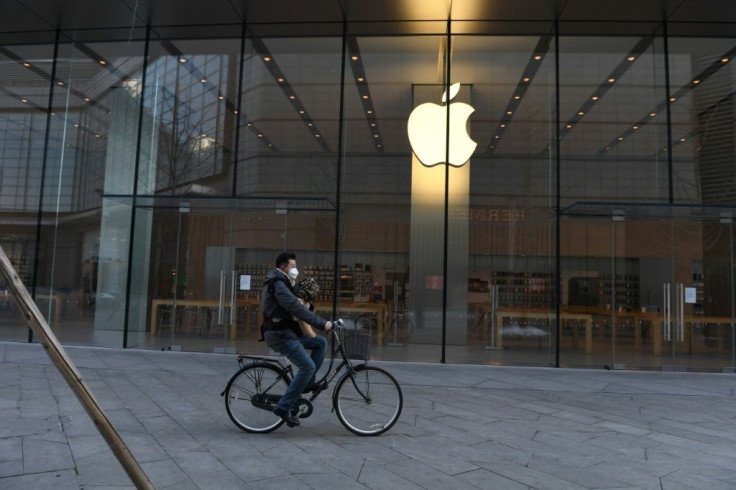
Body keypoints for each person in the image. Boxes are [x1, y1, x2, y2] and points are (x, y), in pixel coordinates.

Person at [261, 252, 332, 427]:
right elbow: (293, 307)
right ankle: (283, 407)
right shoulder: (278, 283)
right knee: (307, 367)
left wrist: (310, 306)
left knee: (320, 343)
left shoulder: (286, 283)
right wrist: (322, 324)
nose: (296, 270)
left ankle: (307, 384)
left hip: (287, 333)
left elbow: (298, 305)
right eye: (293, 266)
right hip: (280, 334)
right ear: (283, 268)